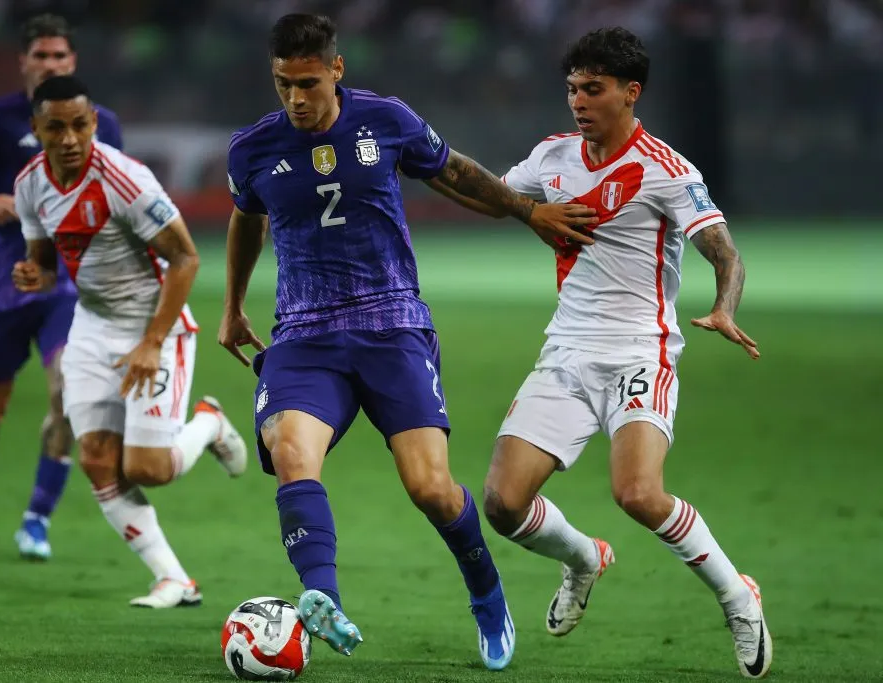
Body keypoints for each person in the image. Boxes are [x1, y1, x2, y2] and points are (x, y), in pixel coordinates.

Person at [219, 13, 596, 670]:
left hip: (392, 326)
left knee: (430, 486)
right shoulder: (252, 149)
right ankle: (322, 597)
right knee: (290, 450)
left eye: (307, 82)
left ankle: (485, 589)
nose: (296, 99)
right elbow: (245, 221)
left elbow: (454, 173)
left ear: (336, 70)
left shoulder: (385, 120)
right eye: (283, 84)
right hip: (304, 334)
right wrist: (231, 307)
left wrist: (527, 210)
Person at [443, 27, 771, 679]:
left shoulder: (667, 171)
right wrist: (430, 167)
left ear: (630, 92)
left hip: (638, 353)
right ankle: (582, 558)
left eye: (592, 89)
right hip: (565, 352)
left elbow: (725, 251)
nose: (578, 101)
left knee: (639, 493)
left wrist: (725, 306)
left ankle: (739, 596)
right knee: (503, 504)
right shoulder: (552, 157)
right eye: (571, 88)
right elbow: (495, 199)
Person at [13, 75, 248, 607]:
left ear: (94, 123)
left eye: (80, 124)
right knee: (96, 456)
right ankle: (173, 578)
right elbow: (48, 263)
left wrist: (150, 341)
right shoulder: (29, 184)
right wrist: (34, 275)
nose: (70, 138)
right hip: (92, 328)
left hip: (155, 325)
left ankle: (209, 422)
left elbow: (187, 258)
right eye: (56, 127)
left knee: (148, 470)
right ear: (37, 130)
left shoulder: (125, 179)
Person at [0, 14, 121, 560]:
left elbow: (118, 192)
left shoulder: (102, 123)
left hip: (67, 283)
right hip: (1, 281)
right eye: (40, 56)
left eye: (59, 57)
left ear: (74, 63)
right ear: (23, 62)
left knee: (66, 395)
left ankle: (36, 520)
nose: (50, 65)